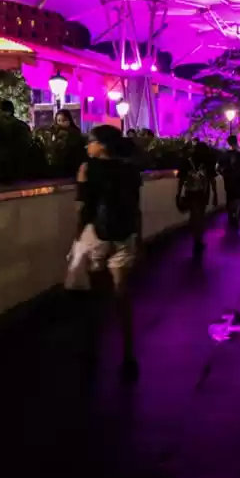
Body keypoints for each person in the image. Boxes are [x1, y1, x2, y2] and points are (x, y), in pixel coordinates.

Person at [75, 125, 143, 381]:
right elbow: (136, 209)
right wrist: (140, 238)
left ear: (101, 145)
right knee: (122, 295)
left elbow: (83, 208)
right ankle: (128, 353)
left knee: (96, 293)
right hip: (125, 233)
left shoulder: (87, 168)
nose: (87, 146)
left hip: (97, 235)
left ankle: (92, 348)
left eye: (90, 142)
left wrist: (77, 237)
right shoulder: (130, 170)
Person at [177, 138, 218, 254]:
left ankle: (196, 236)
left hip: (191, 192)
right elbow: (212, 180)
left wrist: (178, 193)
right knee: (200, 214)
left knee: (195, 215)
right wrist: (215, 194)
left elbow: (181, 179)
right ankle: (198, 237)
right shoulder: (207, 163)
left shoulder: (187, 162)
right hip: (203, 192)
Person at [219, 134, 240, 228]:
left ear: (228, 143)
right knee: (237, 198)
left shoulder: (224, 155)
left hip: (228, 179)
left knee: (230, 197)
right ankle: (236, 214)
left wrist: (224, 173)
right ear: (236, 142)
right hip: (238, 179)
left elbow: (218, 168)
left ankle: (231, 215)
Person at [53, 108, 87, 177]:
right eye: (58, 120)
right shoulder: (53, 133)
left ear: (69, 120)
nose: (61, 123)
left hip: (73, 166)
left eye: (64, 120)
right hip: (58, 167)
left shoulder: (75, 133)